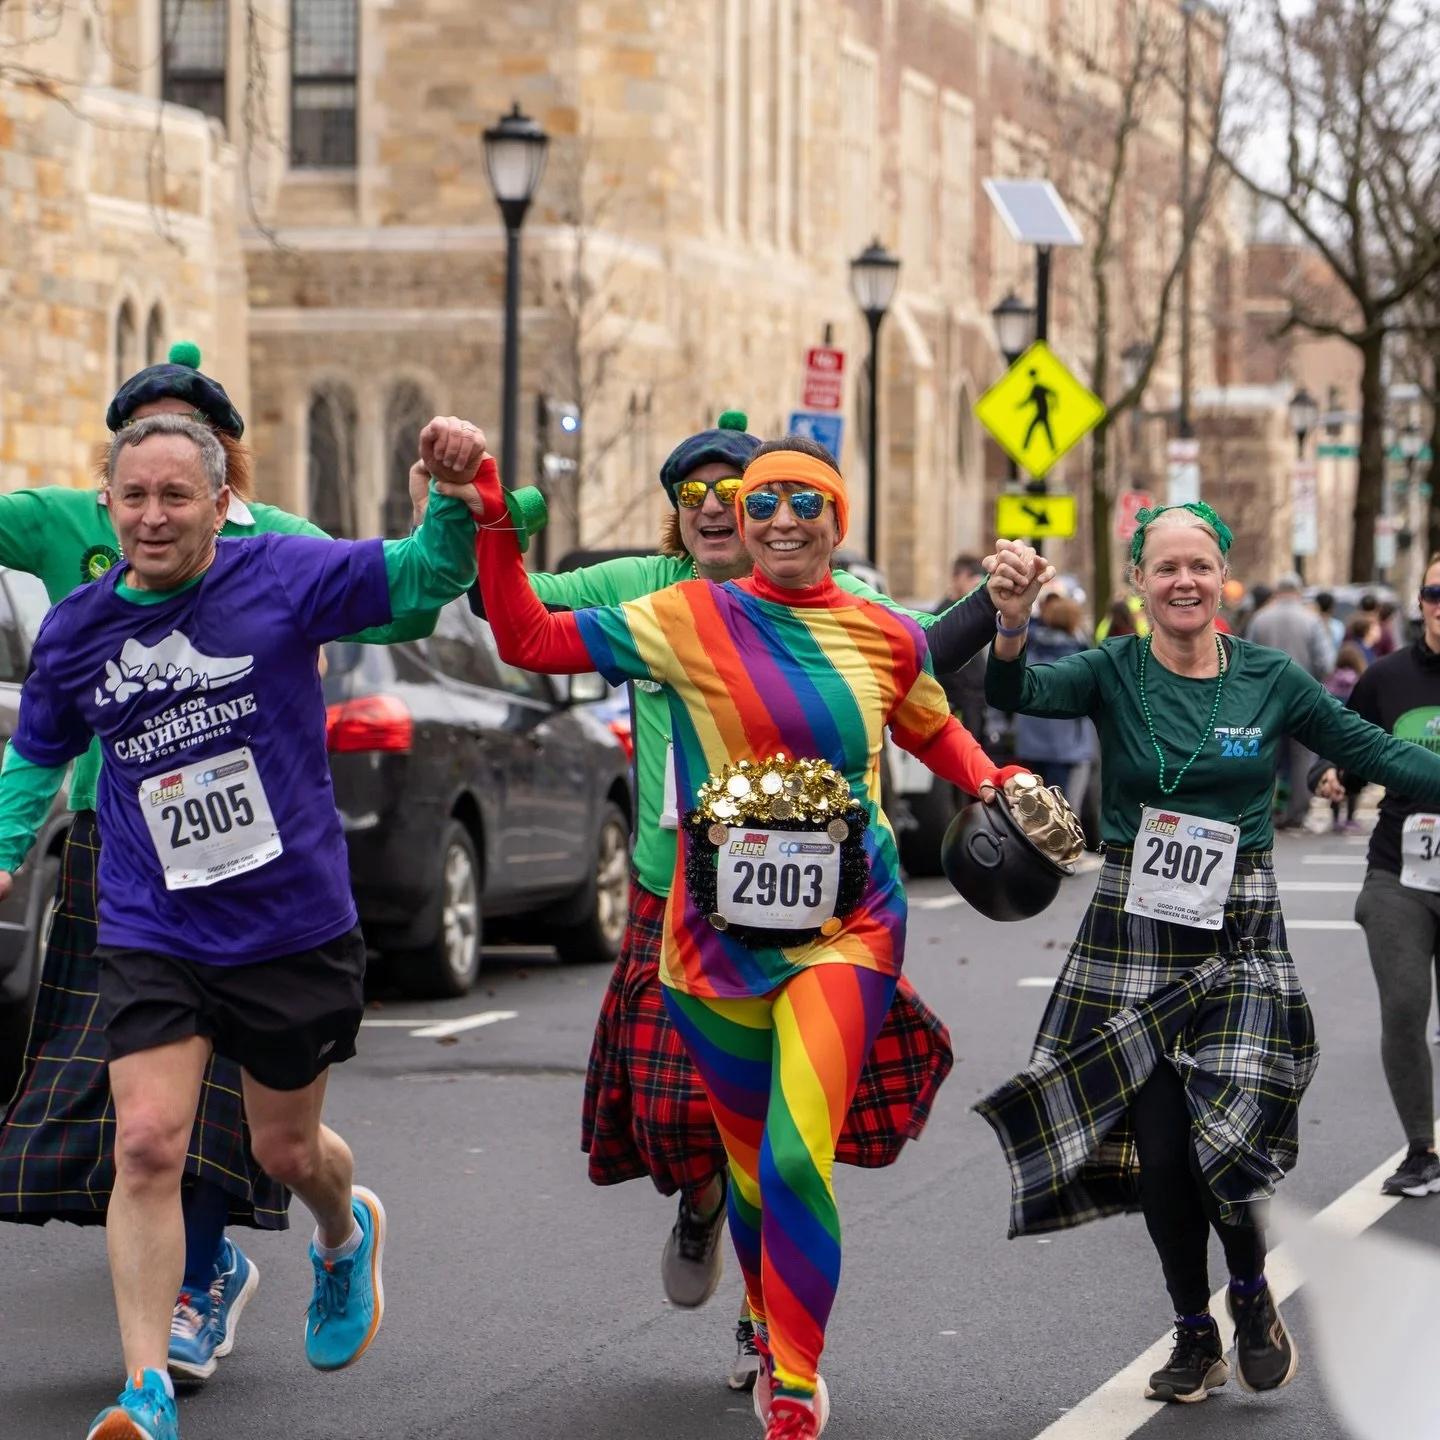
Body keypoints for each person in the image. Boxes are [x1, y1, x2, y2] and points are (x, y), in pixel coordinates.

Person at [467, 436, 1030, 1440]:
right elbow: (528, 639)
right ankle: (767, 1310)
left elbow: (929, 726)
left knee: (794, 1154)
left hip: (847, 930)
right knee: (745, 1164)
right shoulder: (683, 617)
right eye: (755, 501)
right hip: (711, 942)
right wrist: (493, 525)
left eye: (797, 503)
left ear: (834, 523)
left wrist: (994, 781)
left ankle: (796, 1384)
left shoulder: (883, 635)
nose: (774, 518)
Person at [1, 411, 481, 1440]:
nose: (153, 516)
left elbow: (421, 583)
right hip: (151, 924)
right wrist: (3, 849)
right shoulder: (81, 629)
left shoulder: (282, 576)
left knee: (283, 1147)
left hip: (288, 923)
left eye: (177, 496)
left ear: (222, 503)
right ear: (107, 504)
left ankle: (343, 1233)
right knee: (144, 1144)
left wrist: (447, 498)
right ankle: (144, 1389)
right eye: (134, 497)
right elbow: (37, 752)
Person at [979, 501, 1440, 1408]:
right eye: (1165, 568)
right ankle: (1195, 1330)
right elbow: (1014, 695)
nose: (1183, 581)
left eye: (1199, 566)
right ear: (1140, 583)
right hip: (1133, 927)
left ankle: (1251, 1289)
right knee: (1159, 1150)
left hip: (1240, 928)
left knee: (1221, 1145)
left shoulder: (1271, 679)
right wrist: (1013, 623)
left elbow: (1374, 748)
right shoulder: (1111, 667)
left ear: (1220, 577)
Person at [1310, 555, 1440, 1199]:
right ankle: (1422, 1149)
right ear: (1420, 602)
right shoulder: (1386, 677)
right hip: (1400, 870)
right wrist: (1330, 776)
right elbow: (1349, 746)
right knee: (1406, 1004)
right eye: (1435, 593)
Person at [1246, 571, 1335, 829]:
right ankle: (1297, 812)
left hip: (1264, 699)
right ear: (1298, 592)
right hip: (1301, 700)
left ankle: (1263, 811)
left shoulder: (1260, 619)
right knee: (1300, 757)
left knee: (1264, 755)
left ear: (1277, 591)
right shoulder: (1311, 620)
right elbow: (1326, 661)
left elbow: (1246, 657)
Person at [1009, 590, 1094, 811]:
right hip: (1067, 747)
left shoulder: (1030, 649)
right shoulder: (1080, 657)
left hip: (1030, 744)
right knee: (1063, 812)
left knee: (1034, 811)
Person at [1322, 641, 1368, 832]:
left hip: (1333, 737)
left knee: (1335, 777)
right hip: (1353, 736)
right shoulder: (1360, 681)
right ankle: (1350, 818)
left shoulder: (1330, 682)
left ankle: (1334, 819)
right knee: (1352, 778)